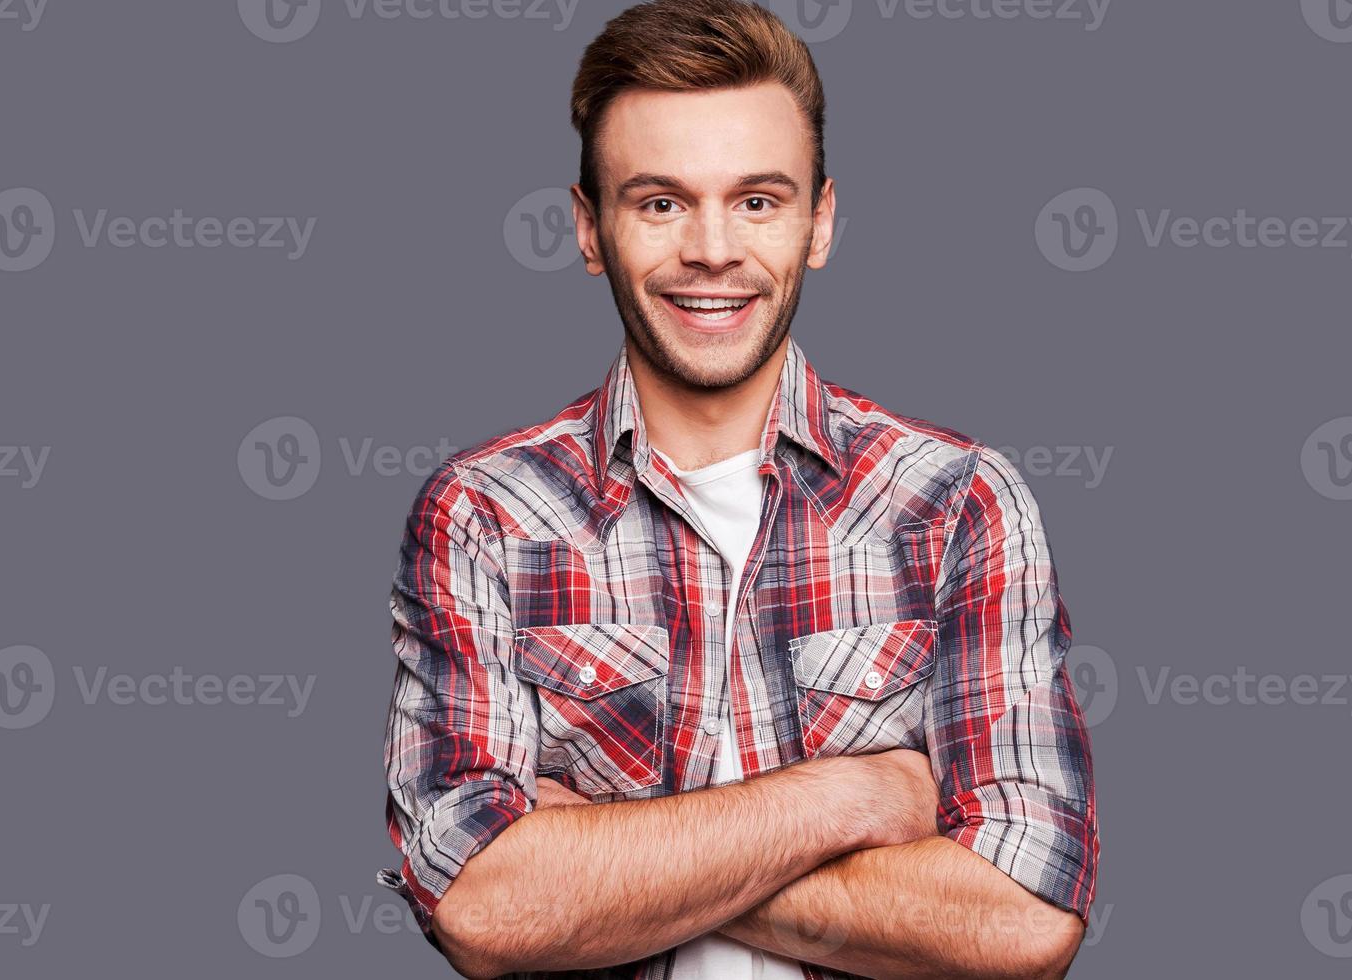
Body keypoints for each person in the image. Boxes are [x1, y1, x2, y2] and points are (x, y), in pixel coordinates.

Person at [379, 2, 1099, 977]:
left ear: (820, 221)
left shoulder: (956, 501)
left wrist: (596, 860)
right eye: (660, 202)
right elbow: (485, 907)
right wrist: (851, 798)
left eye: (757, 199)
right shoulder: (484, 515)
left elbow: (1023, 920)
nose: (712, 249)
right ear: (591, 227)